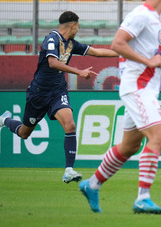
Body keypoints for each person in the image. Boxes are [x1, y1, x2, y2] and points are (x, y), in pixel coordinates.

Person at [79, 0, 161, 214]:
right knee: (158, 135)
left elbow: (148, 58)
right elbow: (117, 44)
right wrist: (150, 61)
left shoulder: (154, 20)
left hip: (144, 86)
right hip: (136, 87)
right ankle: (142, 198)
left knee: (129, 146)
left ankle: (92, 184)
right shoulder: (141, 14)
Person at [0, 11, 119, 183]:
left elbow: (97, 52)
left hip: (57, 92)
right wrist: (78, 71)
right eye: (78, 25)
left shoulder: (71, 44)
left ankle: (69, 170)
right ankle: (4, 120)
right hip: (38, 94)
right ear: (72, 25)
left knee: (70, 124)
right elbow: (52, 62)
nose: (78, 29)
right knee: (24, 133)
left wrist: (123, 53)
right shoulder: (52, 39)